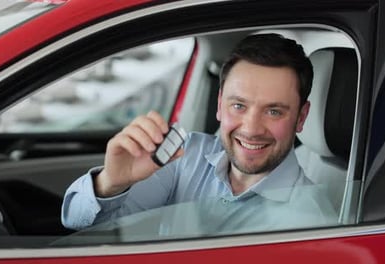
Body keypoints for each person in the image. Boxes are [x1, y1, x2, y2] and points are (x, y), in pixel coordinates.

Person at [61, 33, 337, 232]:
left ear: (301, 118)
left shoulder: (311, 222)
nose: (252, 129)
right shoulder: (185, 154)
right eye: (239, 105)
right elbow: (80, 223)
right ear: (219, 106)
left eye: (274, 111)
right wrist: (111, 183)